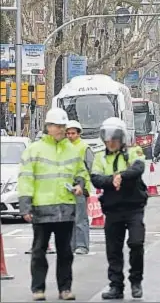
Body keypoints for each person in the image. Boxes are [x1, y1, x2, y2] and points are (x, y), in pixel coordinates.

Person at [18, 108, 87, 301]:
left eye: (63, 126)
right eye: (58, 126)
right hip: (42, 209)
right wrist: (25, 205)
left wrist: (80, 184)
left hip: (65, 208)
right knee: (39, 251)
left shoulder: (72, 150)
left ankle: (65, 289)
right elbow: (25, 179)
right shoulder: (35, 150)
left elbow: (81, 172)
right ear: (48, 127)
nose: (61, 130)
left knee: (66, 252)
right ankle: (38, 289)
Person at [90, 117, 147, 300]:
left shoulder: (133, 152)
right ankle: (116, 286)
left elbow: (138, 168)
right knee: (113, 249)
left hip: (133, 208)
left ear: (121, 138)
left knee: (136, 243)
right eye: (107, 139)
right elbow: (96, 178)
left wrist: (121, 176)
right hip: (112, 209)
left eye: (114, 138)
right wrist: (111, 180)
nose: (110, 142)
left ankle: (136, 281)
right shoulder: (99, 157)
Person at [66, 120, 94, 255]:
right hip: (65, 189)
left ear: (78, 134)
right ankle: (71, 245)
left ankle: (82, 245)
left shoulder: (84, 147)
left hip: (80, 189)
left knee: (80, 218)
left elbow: (89, 168)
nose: (70, 136)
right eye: (68, 133)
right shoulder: (63, 148)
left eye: (73, 133)